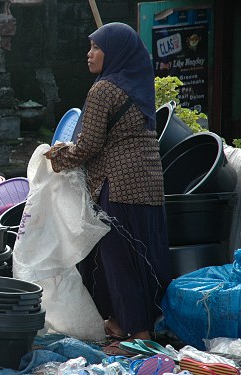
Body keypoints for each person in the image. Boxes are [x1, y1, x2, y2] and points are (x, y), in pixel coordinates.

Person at [45, 23, 171, 354]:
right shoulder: (138, 85)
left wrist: (56, 157)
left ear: (113, 53)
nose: (89, 54)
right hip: (147, 185)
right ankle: (118, 322)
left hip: (116, 187)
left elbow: (89, 145)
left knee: (119, 261)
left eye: (96, 48)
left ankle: (139, 337)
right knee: (134, 257)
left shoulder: (103, 90)